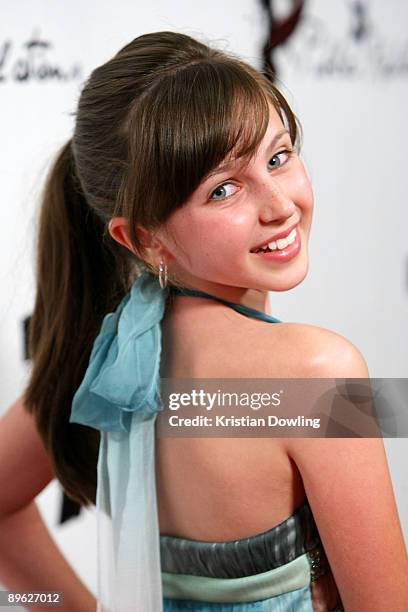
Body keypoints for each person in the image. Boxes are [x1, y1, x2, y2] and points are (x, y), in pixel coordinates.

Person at [0, 30, 407, 612]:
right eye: (223, 189)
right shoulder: (317, 373)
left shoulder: (98, 366)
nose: (279, 205)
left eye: (278, 156)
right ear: (144, 237)